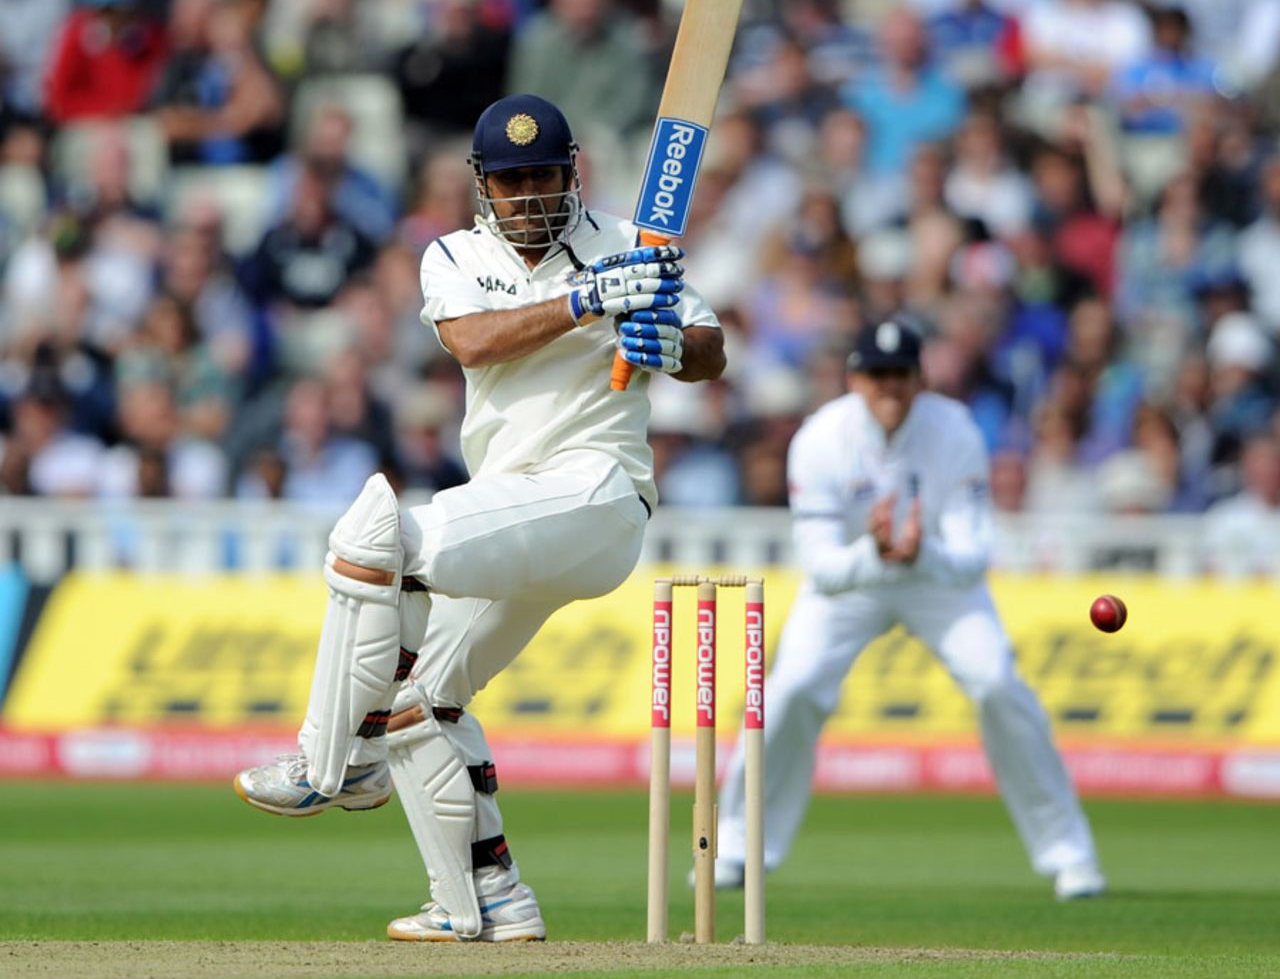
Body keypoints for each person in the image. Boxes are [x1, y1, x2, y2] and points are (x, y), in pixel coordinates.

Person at [233, 94, 725, 941]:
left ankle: (330, 760)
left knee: (372, 534)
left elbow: (712, 348)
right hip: (511, 508)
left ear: (571, 174)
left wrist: (674, 347)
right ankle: (487, 898)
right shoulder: (452, 254)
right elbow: (473, 342)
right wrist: (587, 301)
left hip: (598, 493)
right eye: (511, 180)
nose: (528, 195)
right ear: (482, 185)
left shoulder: (631, 243)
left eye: (542, 176)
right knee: (421, 697)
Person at [710, 318, 1106, 902]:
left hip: (935, 579)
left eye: (901, 374)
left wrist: (924, 553)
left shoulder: (955, 429)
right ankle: (738, 846)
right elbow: (821, 567)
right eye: (878, 375)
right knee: (791, 690)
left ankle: (1069, 854)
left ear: (921, 378)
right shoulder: (820, 438)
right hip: (853, 582)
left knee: (998, 684)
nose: (890, 387)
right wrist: (874, 553)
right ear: (854, 379)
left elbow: (974, 554)